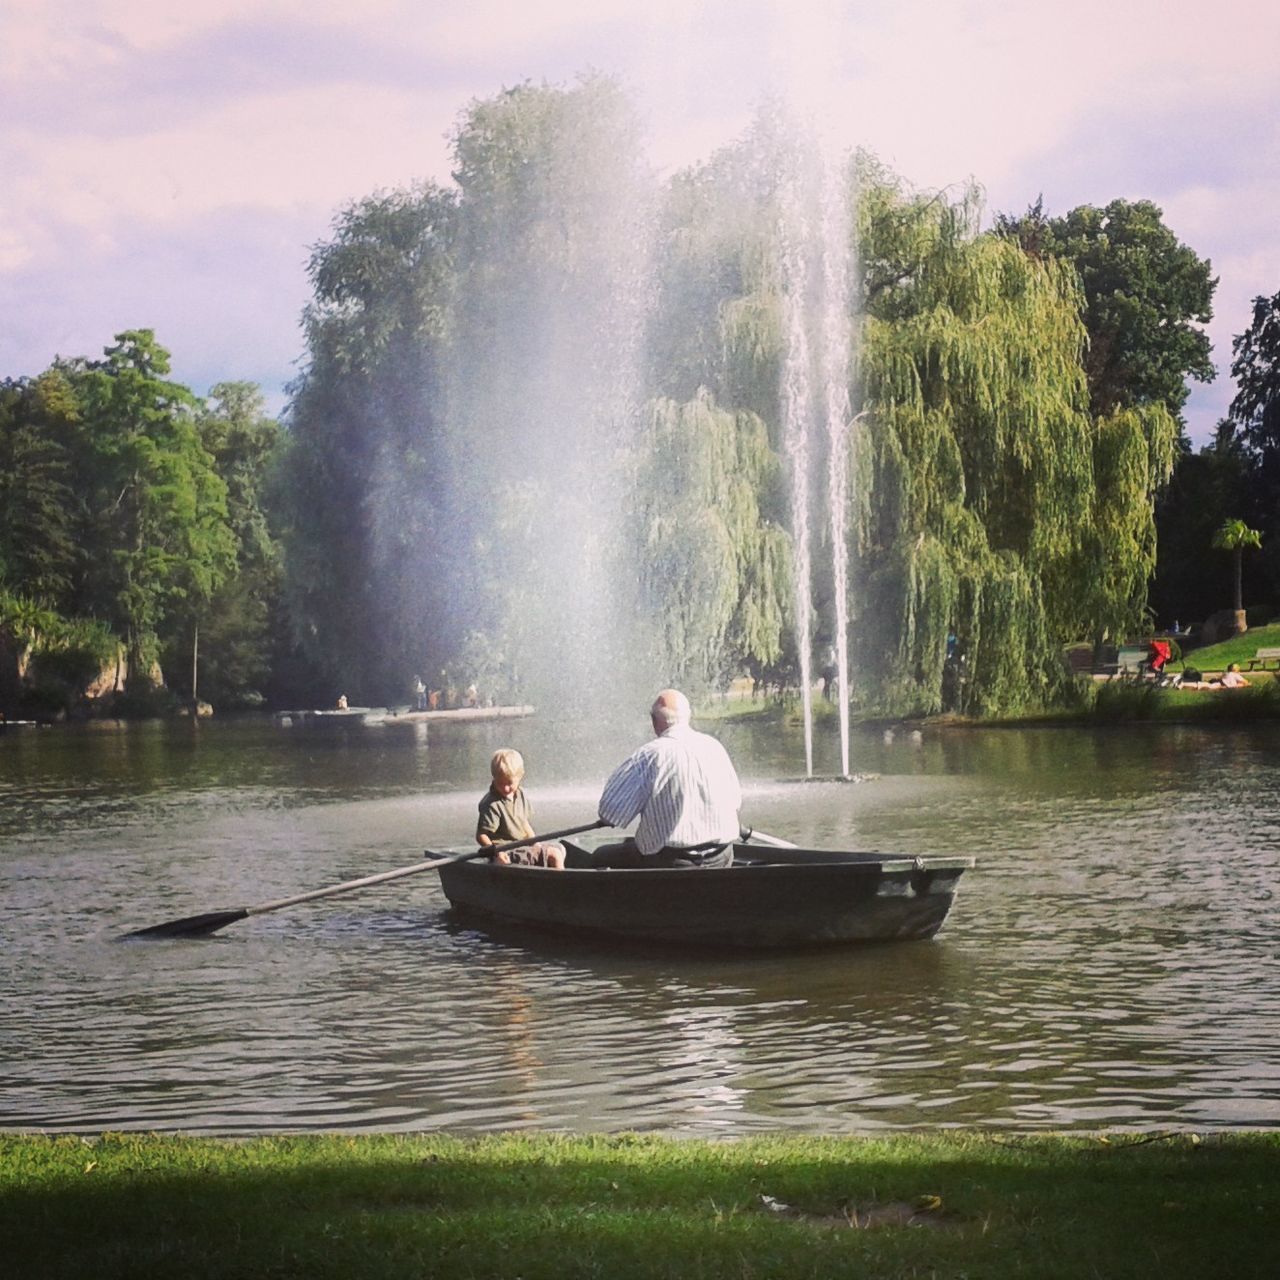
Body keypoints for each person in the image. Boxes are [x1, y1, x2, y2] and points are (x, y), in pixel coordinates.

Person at [592, 688, 742, 869]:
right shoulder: (714, 748)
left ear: (655, 721)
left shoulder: (649, 756)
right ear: (688, 716)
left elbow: (610, 814)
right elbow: (735, 802)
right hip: (721, 858)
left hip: (670, 862)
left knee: (601, 856)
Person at [476, 748, 565, 868]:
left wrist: (535, 843)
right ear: (493, 777)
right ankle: (560, 885)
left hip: (522, 847)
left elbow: (524, 824)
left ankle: (547, 879)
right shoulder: (491, 804)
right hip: (507, 851)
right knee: (554, 855)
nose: (505, 788)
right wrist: (496, 852)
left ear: (520, 776)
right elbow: (481, 835)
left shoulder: (520, 794)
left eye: (509, 783)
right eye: (500, 783)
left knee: (560, 848)